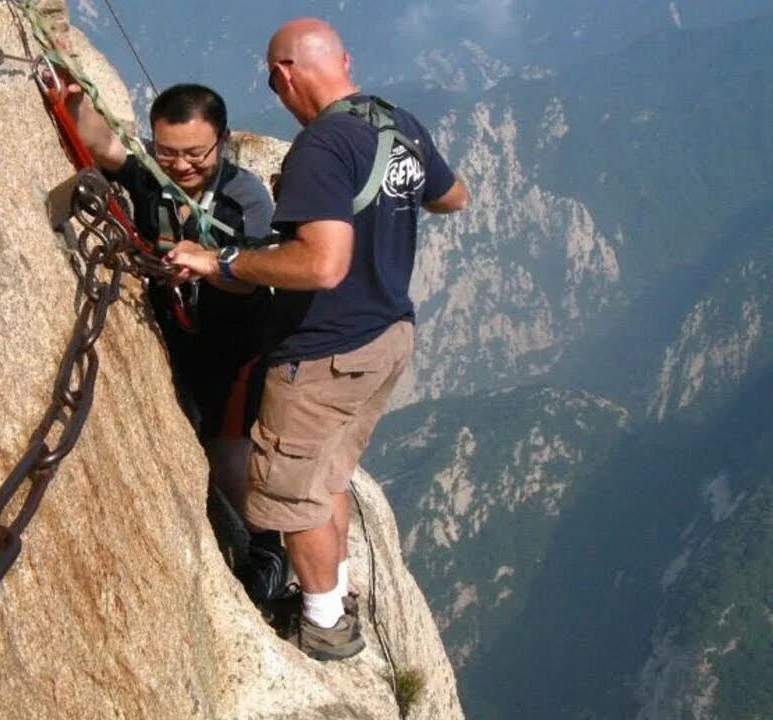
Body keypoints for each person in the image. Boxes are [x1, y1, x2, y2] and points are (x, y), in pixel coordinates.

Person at [167, 18, 469, 661]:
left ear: (282, 75)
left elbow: (322, 265)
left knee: (292, 496)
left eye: (272, 84)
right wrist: (389, 201)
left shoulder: (322, 148)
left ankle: (326, 624)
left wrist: (223, 263)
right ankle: (333, 595)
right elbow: (453, 197)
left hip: (325, 349)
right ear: (345, 61)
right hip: (385, 335)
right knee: (328, 478)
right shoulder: (397, 125)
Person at [63, 81, 290, 601]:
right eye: (168, 151)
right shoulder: (154, 178)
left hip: (238, 343)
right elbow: (104, 146)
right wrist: (74, 99)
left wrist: (209, 266)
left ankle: (266, 545)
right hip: (180, 335)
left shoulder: (244, 197)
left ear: (223, 141)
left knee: (227, 448)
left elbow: (256, 275)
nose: (182, 164)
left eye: (195, 153)